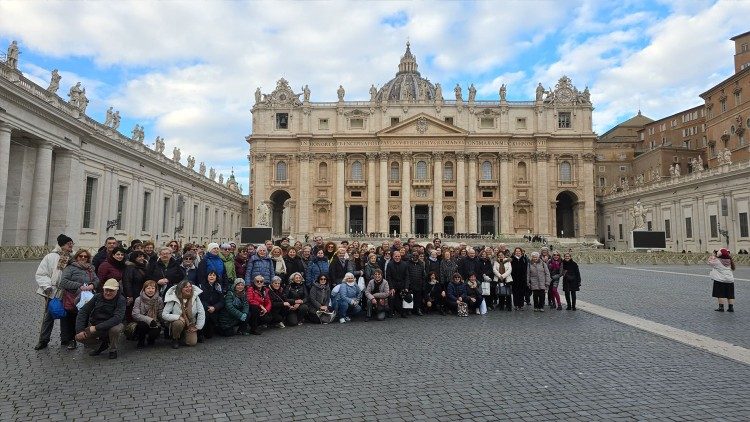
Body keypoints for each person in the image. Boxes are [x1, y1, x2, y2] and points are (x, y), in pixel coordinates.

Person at [34, 234, 74, 350]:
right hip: (52, 290)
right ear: (62, 245)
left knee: (66, 315)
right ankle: (43, 340)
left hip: (67, 291)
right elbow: (41, 273)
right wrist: (46, 286)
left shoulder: (73, 257)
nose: (71, 246)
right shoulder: (50, 257)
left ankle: (66, 339)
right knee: (49, 315)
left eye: (72, 244)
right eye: (68, 244)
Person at [74, 279, 126, 359]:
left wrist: (96, 328)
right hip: (97, 323)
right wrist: (80, 330)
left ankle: (113, 350)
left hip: (113, 324)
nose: (108, 293)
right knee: (79, 337)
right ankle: (102, 345)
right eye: (106, 290)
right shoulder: (97, 296)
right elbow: (83, 311)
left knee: (114, 330)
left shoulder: (121, 299)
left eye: (111, 290)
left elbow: (117, 318)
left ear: (116, 290)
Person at [59, 248, 99, 350]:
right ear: (76, 257)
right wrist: (79, 286)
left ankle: (86, 339)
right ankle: (71, 340)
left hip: (86, 299)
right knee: (71, 320)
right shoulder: (70, 268)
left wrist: (92, 285)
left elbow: (96, 280)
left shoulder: (90, 268)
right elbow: (63, 282)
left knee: (85, 318)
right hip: (73, 297)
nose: (83, 258)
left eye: (85, 256)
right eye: (81, 256)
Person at [162, 280, 206, 348]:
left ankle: (182, 336)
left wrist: (197, 327)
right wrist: (178, 317)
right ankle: (175, 339)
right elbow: (164, 314)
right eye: (186, 287)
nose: (189, 289)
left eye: (190, 286)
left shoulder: (195, 296)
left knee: (192, 343)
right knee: (178, 323)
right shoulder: (173, 297)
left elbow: (201, 312)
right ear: (180, 288)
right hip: (178, 322)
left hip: (190, 323)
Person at [131, 280, 164, 348]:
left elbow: (160, 313)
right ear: (144, 289)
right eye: (148, 288)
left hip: (155, 322)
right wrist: (149, 320)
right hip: (142, 322)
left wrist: (165, 321)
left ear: (155, 289)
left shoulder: (159, 299)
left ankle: (151, 339)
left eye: (153, 288)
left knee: (155, 333)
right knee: (142, 325)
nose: (150, 290)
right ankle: (141, 340)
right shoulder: (138, 299)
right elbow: (135, 314)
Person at [198, 270, 225, 341]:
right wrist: (208, 307)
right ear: (207, 277)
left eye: (213, 275)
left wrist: (215, 307)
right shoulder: (201, 286)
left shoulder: (218, 287)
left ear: (216, 277)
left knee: (209, 335)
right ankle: (200, 333)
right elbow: (199, 300)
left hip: (214, 310)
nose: (211, 277)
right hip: (204, 309)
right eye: (210, 275)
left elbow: (222, 301)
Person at [386, 251, 409, 318]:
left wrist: (406, 287)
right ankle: (391, 312)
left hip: (402, 284)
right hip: (393, 284)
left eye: (398, 256)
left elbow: (407, 276)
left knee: (404, 297)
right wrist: (391, 288)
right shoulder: (389, 264)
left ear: (400, 257)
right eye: (396, 256)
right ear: (393, 257)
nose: (397, 257)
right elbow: (388, 277)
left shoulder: (404, 264)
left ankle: (403, 312)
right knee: (392, 297)